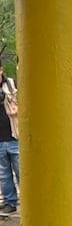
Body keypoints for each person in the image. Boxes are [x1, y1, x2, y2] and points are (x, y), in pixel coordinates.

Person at [0, 59, 20, 217]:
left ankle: (30, 201)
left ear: (1, 70)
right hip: (0, 140)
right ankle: (10, 203)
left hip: (15, 137)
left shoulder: (12, 85)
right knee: (4, 175)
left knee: (22, 172)